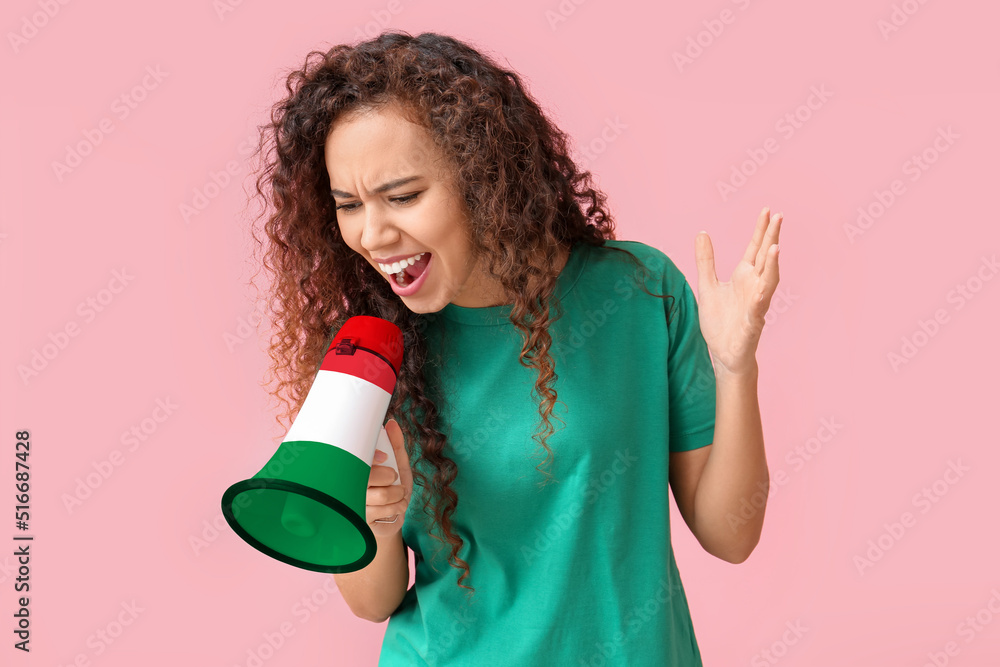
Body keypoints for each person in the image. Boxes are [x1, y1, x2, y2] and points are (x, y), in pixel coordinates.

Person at [245, 30, 780, 667]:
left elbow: (731, 532)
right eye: (348, 205)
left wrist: (735, 364)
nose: (373, 233)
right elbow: (372, 601)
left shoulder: (639, 291)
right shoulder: (369, 354)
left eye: (404, 196)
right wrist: (380, 523)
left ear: (481, 175)